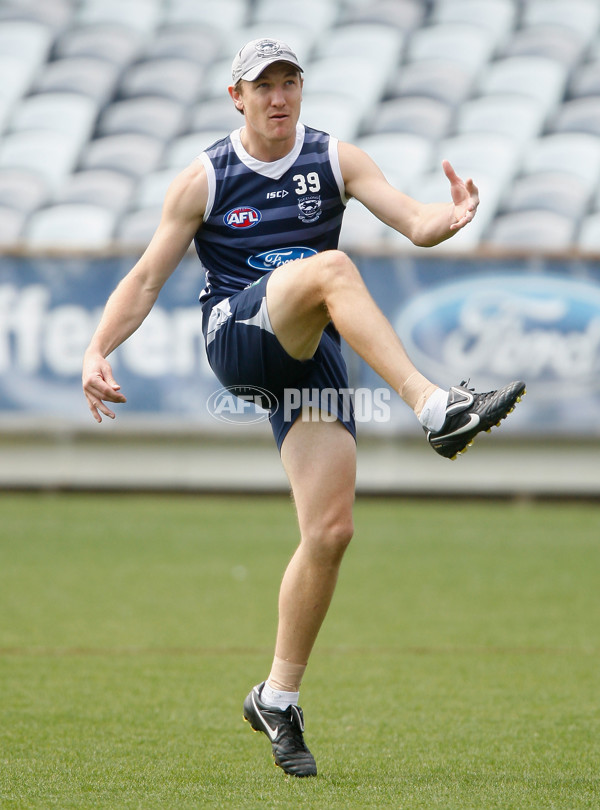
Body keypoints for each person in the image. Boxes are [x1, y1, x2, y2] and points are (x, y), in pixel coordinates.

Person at [82, 38, 525, 777]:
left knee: (330, 530)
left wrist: (450, 217)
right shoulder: (205, 176)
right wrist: (98, 347)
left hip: (307, 346)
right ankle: (434, 405)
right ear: (237, 97)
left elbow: (412, 219)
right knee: (331, 267)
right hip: (239, 338)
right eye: (264, 87)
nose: (280, 98)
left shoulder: (334, 159)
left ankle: (276, 698)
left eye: (290, 83)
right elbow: (147, 278)